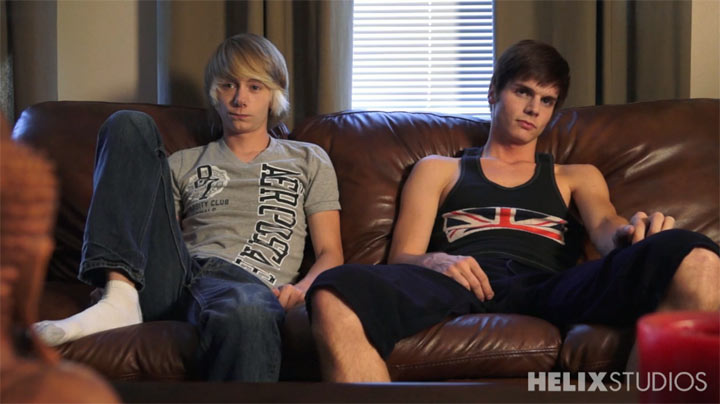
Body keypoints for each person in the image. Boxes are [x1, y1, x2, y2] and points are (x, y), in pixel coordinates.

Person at [306, 39, 720, 382]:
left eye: (547, 100)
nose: (534, 108)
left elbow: (607, 228)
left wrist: (634, 234)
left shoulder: (576, 175)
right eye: (523, 91)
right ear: (493, 92)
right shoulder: (438, 169)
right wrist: (434, 260)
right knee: (334, 291)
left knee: (696, 258)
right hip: (461, 281)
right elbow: (403, 256)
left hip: (547, 285)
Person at [33, 33, 343, 382]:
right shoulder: (181, 162)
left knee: (248, 311)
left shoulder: (308, 159)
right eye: (228, 85)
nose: (239, 99)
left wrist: (301, 290)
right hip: (177, 276)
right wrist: (118, 273)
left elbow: (330, 252)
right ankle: (118, 297)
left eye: (255, 87)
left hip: (247, 285)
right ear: (214, 92)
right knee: (128, 123)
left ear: (274, 95)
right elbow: (155, 232)